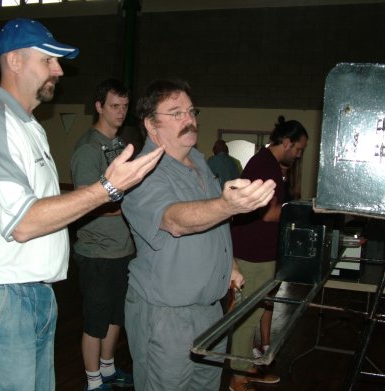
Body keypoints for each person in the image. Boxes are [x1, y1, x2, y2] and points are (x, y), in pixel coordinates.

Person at [0, 18, 164, 391]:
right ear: (14, 61)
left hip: (32, 294)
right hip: (2, 295)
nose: (59, 70)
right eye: (49, 59)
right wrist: (108, 188)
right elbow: (22, 222)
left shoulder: (27, 126)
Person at [121, 78, 276, 391]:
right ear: (151, 125)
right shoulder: (140, 172)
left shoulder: (200, 163)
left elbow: (212, 225)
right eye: (176, 113)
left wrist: (229, 263)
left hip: (211, 311)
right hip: (166, 316)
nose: (189, 119)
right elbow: (175, 219)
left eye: (191, 111)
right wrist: (226, 205)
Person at [229, 116, 308, 391]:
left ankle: (244, 365)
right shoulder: (265, 166)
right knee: (246, 315)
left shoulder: (270, 164)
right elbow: (271, 213)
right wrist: (300, 210)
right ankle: (237, 377)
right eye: (298, 149)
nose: (299, 154)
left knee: (253, 311)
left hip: (260, 251)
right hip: (253, 253)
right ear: (286, 142)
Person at [71, 79, 135, 391]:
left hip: (121, 251)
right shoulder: (88, 149)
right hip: (96, 253)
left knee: (115, 317)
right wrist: (130, 210)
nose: (121, 112)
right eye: (114, 106)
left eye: (124, 106)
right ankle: (94, 382)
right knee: (95, 322)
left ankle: (108, 370)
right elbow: (86, 203)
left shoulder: (121, 147)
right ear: (99, 107)